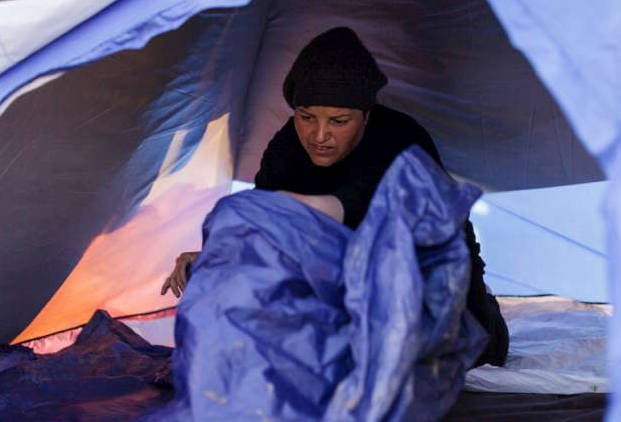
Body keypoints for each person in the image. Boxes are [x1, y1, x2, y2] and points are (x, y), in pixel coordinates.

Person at [161, 27, 508, 367]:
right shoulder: (286, 147)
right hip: (341, 281)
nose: (320, 135)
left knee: (438, 350)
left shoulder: (402, 141)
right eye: (306, 117)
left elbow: (355, 203)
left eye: (339, 121)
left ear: (366, 116)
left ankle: (481, 310)